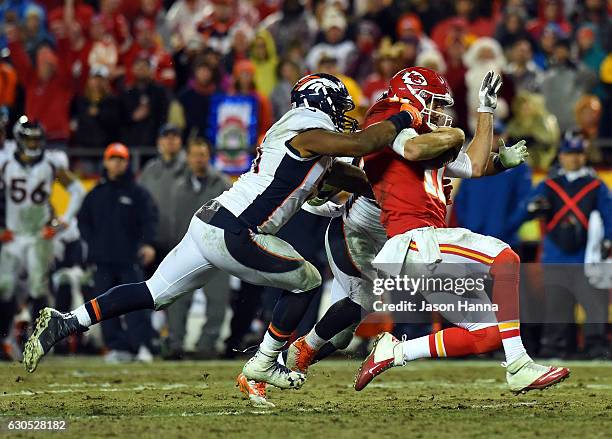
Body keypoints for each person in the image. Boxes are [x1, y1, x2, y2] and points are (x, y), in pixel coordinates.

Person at [23, 73, 424, 394]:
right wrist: (405, 117)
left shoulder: (305, 140)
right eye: (341, 107)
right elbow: (363, 141)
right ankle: (265, 362)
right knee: (307, 280)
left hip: (211, 223)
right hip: (235, 230)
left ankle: (67, 322)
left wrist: (406, 184)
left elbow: (352, 177)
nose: (344, 115)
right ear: (323, 104)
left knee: (152, 292)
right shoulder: (308, 127)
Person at [511, 133, 611, 359]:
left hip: (587, 258)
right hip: (555, 256)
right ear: (561, 156)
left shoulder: (596, 186)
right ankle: (554, 348)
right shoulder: (549, 184)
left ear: (584, 156)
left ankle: (596, 349)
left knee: (595, 306)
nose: (573, 159)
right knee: (557, 308)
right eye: (569, 154)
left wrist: (608, 240)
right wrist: (531, 208)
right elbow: (521, 214)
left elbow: (609, 215)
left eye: (578, 154)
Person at [0, 117, 85, 355]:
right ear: (18, 139)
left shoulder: (51, 164)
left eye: (37, 139)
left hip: (39, 236)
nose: (34, 143)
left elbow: (77, 191)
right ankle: (4, 340)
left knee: (38, 288)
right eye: (29, 139)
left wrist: (62, 224)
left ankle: (37, 342)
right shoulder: (5, 163)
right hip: (13, 235)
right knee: (4, 287)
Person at [77, 143, 158, 363]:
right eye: (113, 158)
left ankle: (142, 345)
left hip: (130, 259)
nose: (117, 163)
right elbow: (83, 221)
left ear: (127, 162)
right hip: (103, 261)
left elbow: (149, 220)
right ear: (105, 161)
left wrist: (148, 244)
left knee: (136, 306)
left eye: (121, 159)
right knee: (104, 307)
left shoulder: (138, 193)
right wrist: (92, 245)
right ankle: (116, 346)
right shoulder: (96, 193)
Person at [164, 138, 231, 359]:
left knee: (217, 301)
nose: (199, 159)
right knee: (177, 299)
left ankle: (206, 346)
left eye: (203, 154)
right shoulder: (177, 186)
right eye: (195, 155)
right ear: (188, 158)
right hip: (187, 251)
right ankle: (175, 344)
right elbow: (173, 221)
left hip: (217, 250)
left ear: (208, 156)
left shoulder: (222, 184)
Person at [138, 124, 187, 265]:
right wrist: (144, 242)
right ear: (159, 141)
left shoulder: (191, 169)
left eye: (175, 136)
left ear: (181, 141)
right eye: (166, 136)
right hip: (155, 246)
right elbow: (140, 206)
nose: (170, 140)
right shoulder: (149, 170)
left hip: (185, 245)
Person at [119, 56, 170, 148]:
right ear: (133, 70)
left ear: (150, 70)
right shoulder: (127, 92)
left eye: (144, 67)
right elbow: (121, 119)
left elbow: (164, 116)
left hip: (154, 141)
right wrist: (132, 117)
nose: (141, 70)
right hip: (132, 142)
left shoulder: (159, 91)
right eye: (138, 67)